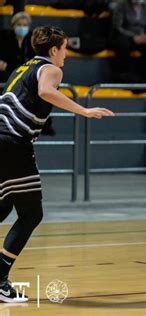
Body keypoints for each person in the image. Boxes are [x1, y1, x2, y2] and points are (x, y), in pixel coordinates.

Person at [0, 25, 114, 303]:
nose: (67, 53)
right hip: (12, 142)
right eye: (64, 48)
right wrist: (84, 110)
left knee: (4, 206)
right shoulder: (51, 69)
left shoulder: (22, 67)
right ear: (53, 50)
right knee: (31, 214)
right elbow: (47, 91)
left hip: (3, 139)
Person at [0, 12, 35, 83]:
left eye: (25, 25)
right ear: (13, 26)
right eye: (19, 24)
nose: (22, 27)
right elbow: (2, 63)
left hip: (26, 72)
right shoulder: (5, 38)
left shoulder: (32, 39)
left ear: (28, 27)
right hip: (8, 73)